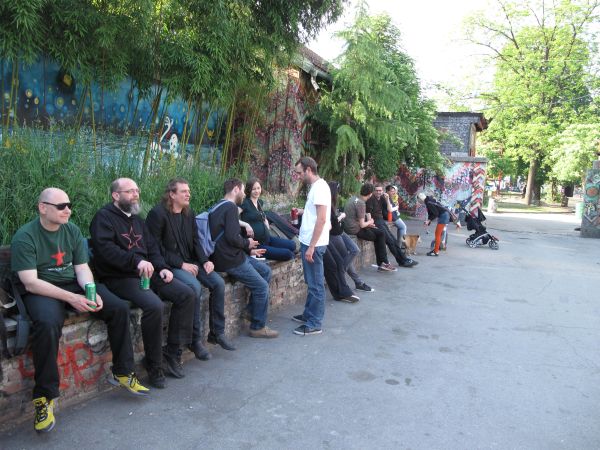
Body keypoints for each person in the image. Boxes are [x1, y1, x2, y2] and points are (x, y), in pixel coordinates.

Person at [11, 188, 149, 433]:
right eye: (61, 206)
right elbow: (30, 282)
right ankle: (44, 398)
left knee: (117, 307)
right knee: (47, 324)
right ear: (43, 208)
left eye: (69, 205)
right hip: (41, 289)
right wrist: (72, 298)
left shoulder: (72, 230)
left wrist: (89, 290)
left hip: (72, 284)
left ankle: (123, 371)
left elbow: (82, 268)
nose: (68, 210)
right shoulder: (26, 236)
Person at [90, 178, 195, 388]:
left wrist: (162, 267)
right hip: (120, 276)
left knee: (186, 294)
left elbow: (152, 247)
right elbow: (105, 251)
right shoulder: (103, 218)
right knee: (154, 306)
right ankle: (154, 366)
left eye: (137, 191)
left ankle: (172, 352)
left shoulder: (138, 220)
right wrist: (136, 261)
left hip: (148, 272)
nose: (136, 195)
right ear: (116, 195)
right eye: (130, 191)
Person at [146, 178, 235, 361]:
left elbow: (196, 241)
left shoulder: (188, 213)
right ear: (172, 194)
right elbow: (155, 248)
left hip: (191, 262)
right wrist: (181, 264)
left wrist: (205, 261)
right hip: (170, 265)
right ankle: (194, 340)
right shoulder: (158, 214)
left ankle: (217, 332)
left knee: (218, 283)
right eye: (184, 191)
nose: (188, 194)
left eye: (189, 191)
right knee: (194, 287)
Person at [209, 178, 279, 339]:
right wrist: (248, 243)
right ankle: (257, 327)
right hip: (230, 260)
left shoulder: (219, 206)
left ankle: (251, 311)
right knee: (262, 287)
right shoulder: (230, 208)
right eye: (242, 190)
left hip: (234, 255)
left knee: (266, 271)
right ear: (235, 190)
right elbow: (232, 237)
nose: (244, 194)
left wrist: (248, 249)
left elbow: (228, 237)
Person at [292, 157, 331, 335]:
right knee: (312, 282)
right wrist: (304, 211)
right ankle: (309, 314)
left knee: (316, 284)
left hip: (314, 245)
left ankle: (314, 322)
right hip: (310, 242)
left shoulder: (320, 188)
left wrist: (312, 247)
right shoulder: (316, 187)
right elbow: (317, 214)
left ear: (308, 170)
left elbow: (322, 219)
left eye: (299, 173)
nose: (298, 176)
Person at [343, 183, 396, 272]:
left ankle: (382, 263)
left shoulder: (354, 198)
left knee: (379, 233)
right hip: (354, 229)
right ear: (371, 193)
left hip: (349, 226)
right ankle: (384, 263)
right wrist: (370, 222)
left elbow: (357, 219)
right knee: (380, 234)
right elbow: (362, 225)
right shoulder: (361, 203)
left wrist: (368, 224)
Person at [240, 177, 295, 261]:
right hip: (256, 244)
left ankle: (272, 249)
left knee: (292, 245)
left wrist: (265, 221)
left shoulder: (259, 202)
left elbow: (259, 215)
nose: (257, 191)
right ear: (249, 190)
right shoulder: (245, 203)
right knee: (288, 254)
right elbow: (232, 217)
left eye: (258, 188)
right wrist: (246, 225)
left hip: (267, 238)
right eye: (254, 189)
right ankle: (257, 254)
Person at [322, 181, 360, 304]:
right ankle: (346, 288)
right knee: (337, 263)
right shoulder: (325, 204)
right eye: (337, 191)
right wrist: (341, 217)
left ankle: (346, 288)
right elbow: (330, 223)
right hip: (329, 236)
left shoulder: (331, 204)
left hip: (336, 233)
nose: (338, 194)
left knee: (341, 260)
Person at [368, 184, 418, 268]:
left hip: (381, 221)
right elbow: (368, 213)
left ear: (382, 191)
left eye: (380, 190)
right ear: (373, 191)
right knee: (390, 241)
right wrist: (370, 223)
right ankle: (402, 261)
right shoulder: (371, 200)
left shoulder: (383, 198)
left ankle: (404, 259)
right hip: (376, 222)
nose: (378, 192)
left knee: (393, 240)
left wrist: (387, 199)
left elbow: (389, 209)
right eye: (377, 190)